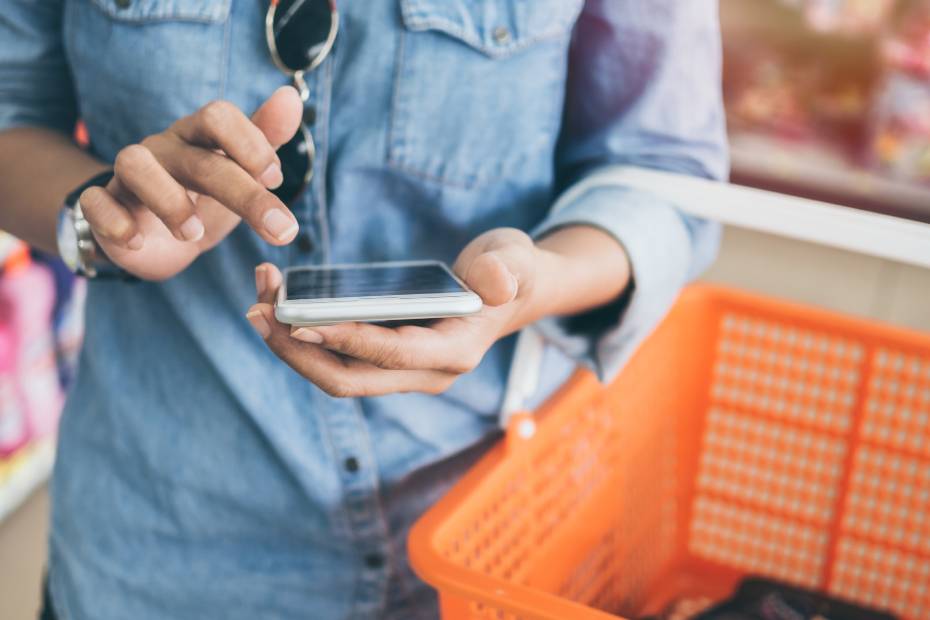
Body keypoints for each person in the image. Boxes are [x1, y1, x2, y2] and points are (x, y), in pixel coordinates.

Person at [0, 0, 727, 618]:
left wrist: (531, 282)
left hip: (483, 548)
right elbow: (11, 111)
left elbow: (662, 171)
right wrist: (103, 222)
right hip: (152, 555)